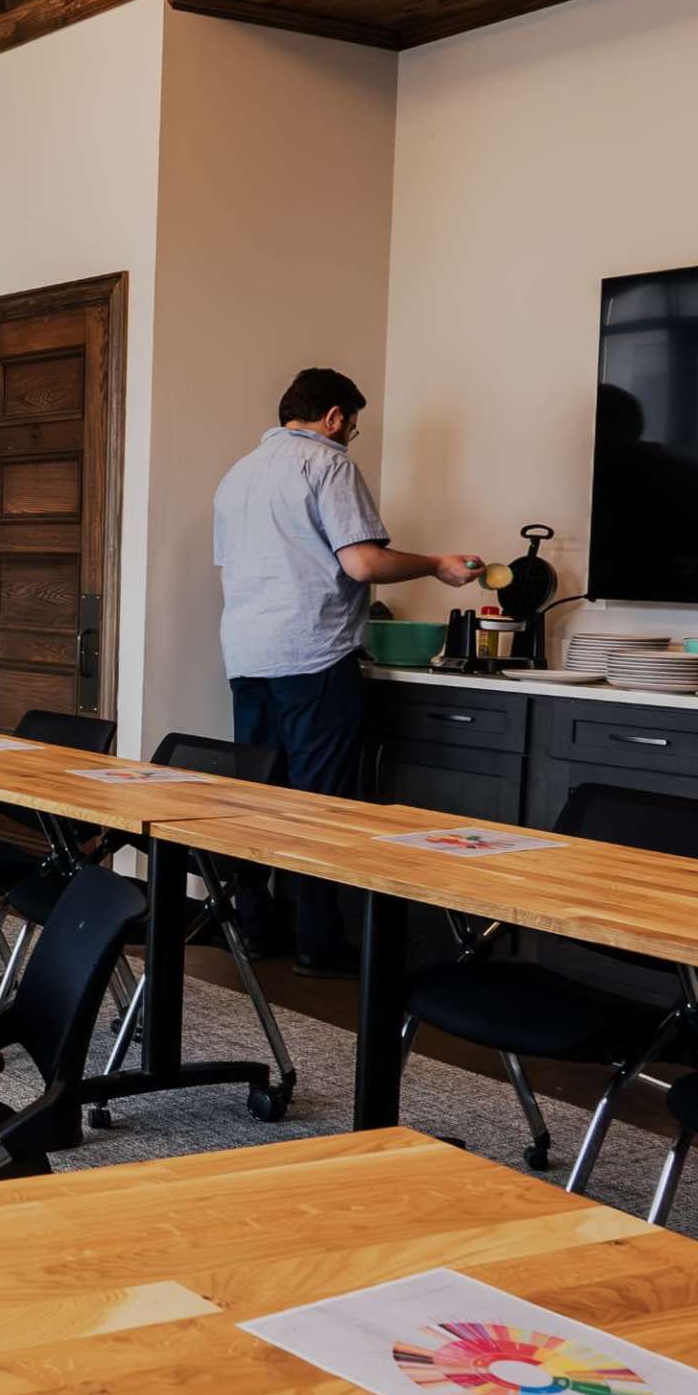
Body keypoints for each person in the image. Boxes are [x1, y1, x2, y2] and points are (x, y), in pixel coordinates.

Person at [213, 367, 484, 962]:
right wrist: (436, 564)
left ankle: (254, 930)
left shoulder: (238, 474)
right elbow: (362, 563)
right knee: (321, 804)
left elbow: (231, 568)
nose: (350, 436)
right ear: (334, 417)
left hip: (247, 653)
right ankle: (319, 945)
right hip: (312, 653)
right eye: (352, 426)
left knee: (258, 796)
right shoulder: (328, 464)